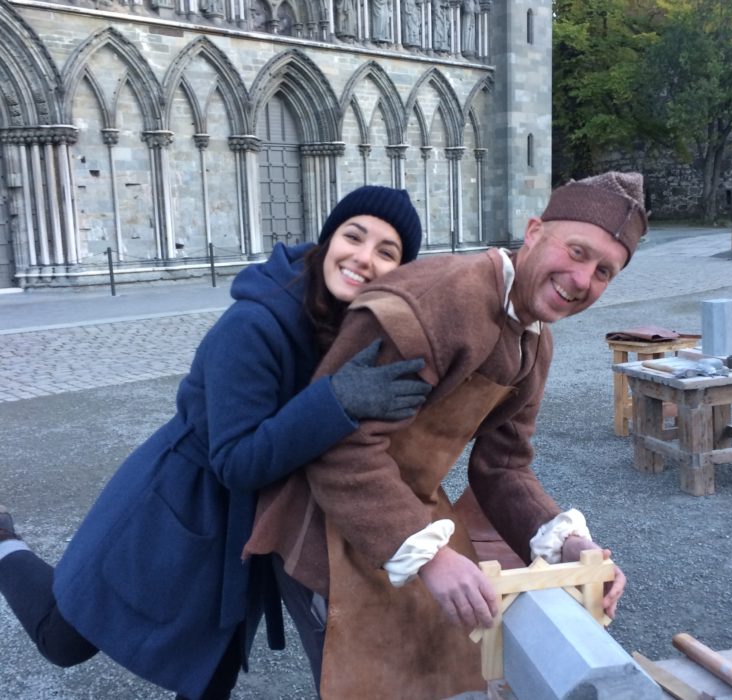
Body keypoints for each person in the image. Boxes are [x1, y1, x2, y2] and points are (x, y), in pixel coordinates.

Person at [0, 185, 431, 700]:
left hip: (248, 527)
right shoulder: (254, 323)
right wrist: (337, 400)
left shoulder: (352, 324)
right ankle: (3, 540)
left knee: (207, 673)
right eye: (353, 236)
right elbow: (236, 460)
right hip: (176, 504)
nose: (364, 257)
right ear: (328, 239)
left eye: (387, 251)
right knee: (64, 639)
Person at [246, 172, 647, 698]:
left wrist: (569, 545)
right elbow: (339, 446)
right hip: (324, 518)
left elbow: (504, 466)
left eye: (603, 271)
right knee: (370, 683)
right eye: (576, 252)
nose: (581, 279)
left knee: (455, 660)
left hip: (413, 509)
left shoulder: (534, 342)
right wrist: (432, 559)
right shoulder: (438, 302)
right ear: (533, 233)